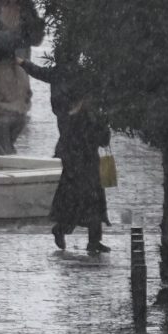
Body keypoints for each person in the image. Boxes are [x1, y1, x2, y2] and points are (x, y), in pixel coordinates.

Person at [48, 100, 110, 254]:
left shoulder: (95, 116)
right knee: (77, 203)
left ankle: (94, 241)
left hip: (90, 164)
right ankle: (60, 229)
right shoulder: (72, 116)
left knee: (94, 203)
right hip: (76, 167)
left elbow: (103, 140)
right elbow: (66, 141)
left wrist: (103, 127)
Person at [0, 45, 34, 155]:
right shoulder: (21, 70)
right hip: (19, 116)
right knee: (8, 147)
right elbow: (28, 93)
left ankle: (4, 170)